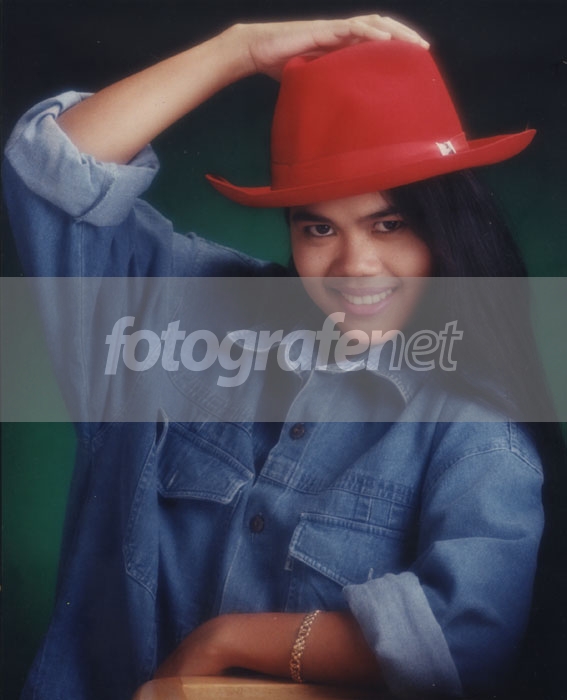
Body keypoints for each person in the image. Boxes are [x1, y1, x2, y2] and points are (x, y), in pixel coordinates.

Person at [3, 15, 563, 700]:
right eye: (318, 227)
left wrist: (227, 641)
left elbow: (464, 639)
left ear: (446, 228)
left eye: (389, 224)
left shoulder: (475, 433)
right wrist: (236, 49)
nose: (354, 266)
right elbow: (50, 172)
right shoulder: (192, 311)